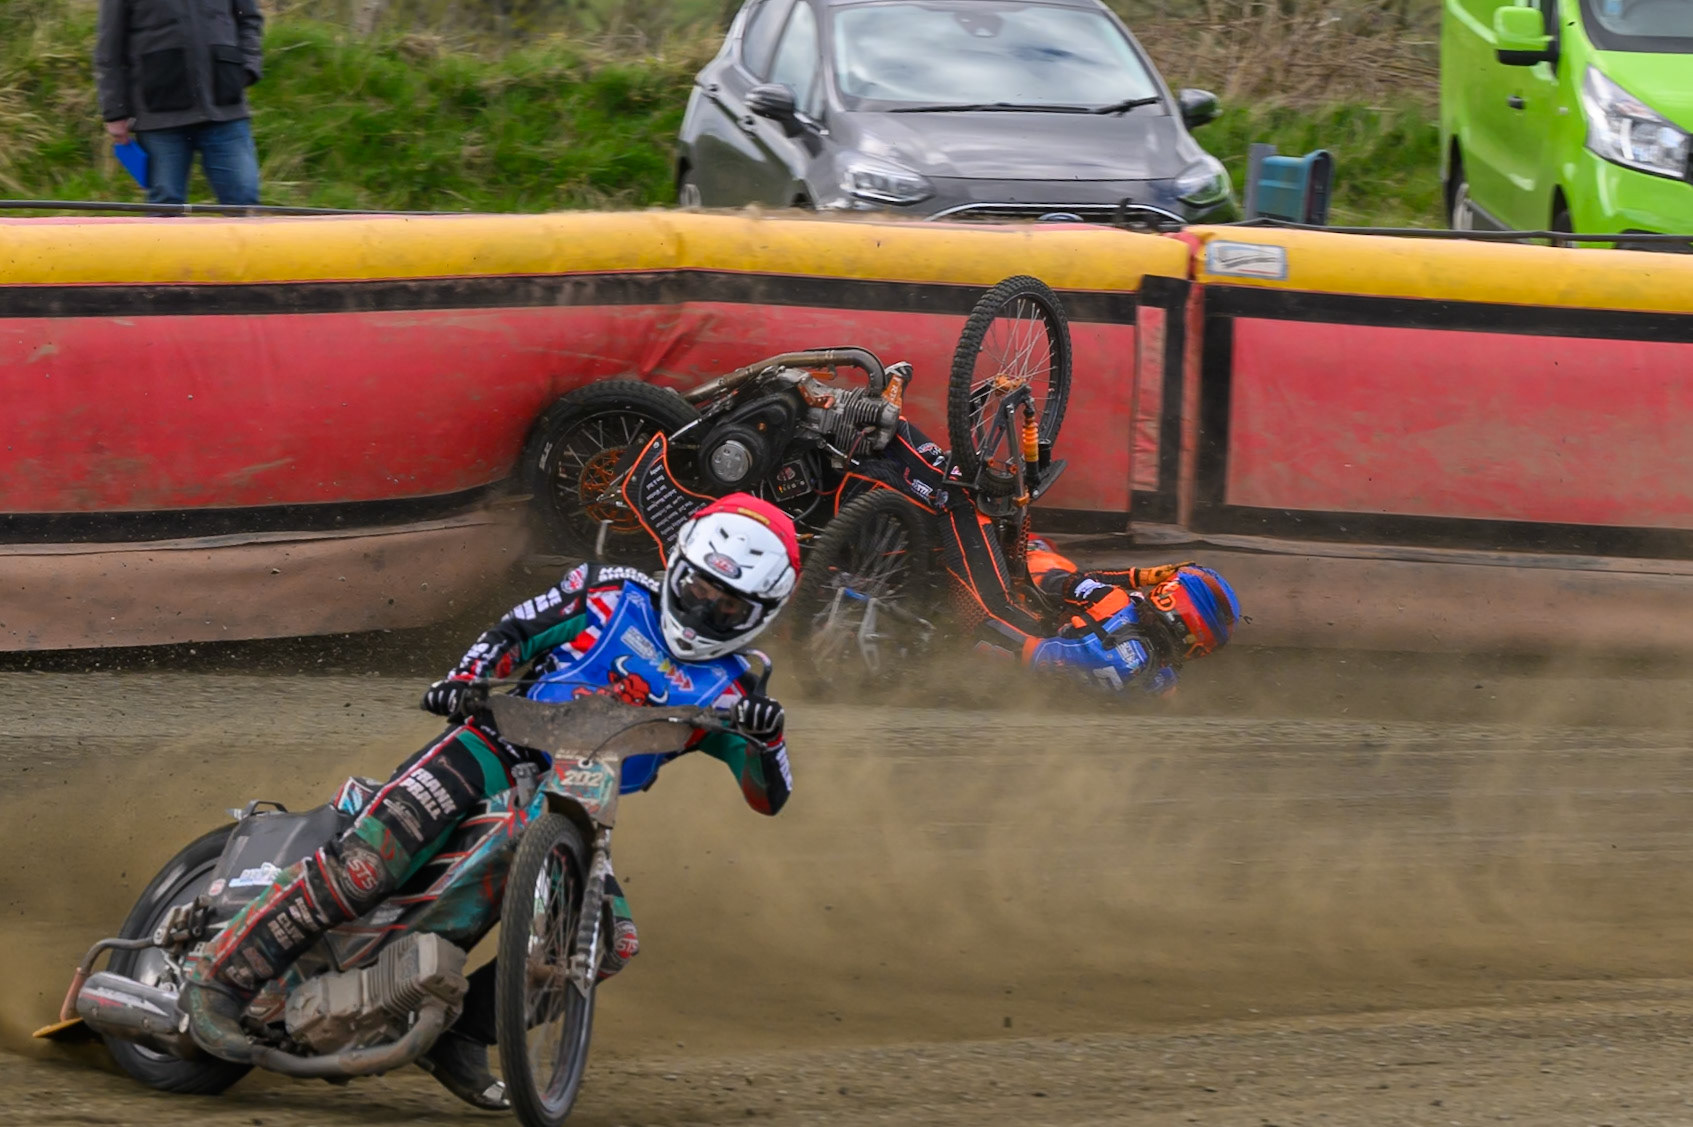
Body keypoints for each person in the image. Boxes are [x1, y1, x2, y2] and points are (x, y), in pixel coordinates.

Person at [179, 493, 801, 1109]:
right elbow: (514, 632)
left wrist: (766, 735)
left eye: (728, 606)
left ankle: (460, 1037)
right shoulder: (608, 590)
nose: (703, 609)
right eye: (697, 588)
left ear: (761, 614)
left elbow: (770, 797)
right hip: (492, 746)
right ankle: (219, 978)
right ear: (678, 564)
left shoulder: (741, 687)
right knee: (369, 863)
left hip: (584, 803)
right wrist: (464, 679)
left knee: (608, 944)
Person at [841, 415, 1241, 693]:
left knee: (959, 490)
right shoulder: (1157, 682)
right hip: (989, 662)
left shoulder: (1114, 605)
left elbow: (1054, 582)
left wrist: (1135, 577)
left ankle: (885, 425)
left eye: (1165, 587)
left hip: (990, 617)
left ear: (1173, 602)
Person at [95, 0, 265, 207]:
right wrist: (115, 112)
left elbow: (249, 20)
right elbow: (108, 51)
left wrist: (247, 69)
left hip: (225, 110)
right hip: (159, 117)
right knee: (165, 207)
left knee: (244, 200)